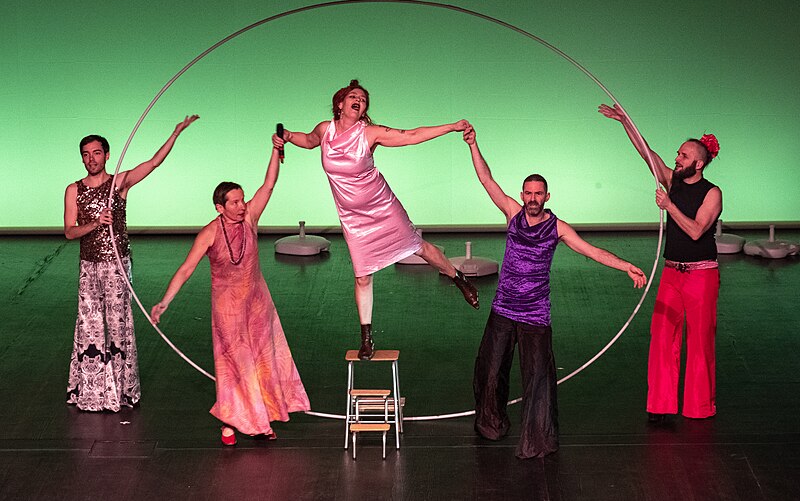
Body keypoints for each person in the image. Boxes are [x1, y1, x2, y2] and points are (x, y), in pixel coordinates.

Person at [463, 126, 647, 458]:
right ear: (522, 195)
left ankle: (538, 440)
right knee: (490, 369)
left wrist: (626, 266)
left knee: (537, 379)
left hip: (535, 313)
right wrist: (474, 145)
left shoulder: (558, 227)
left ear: (547, 196)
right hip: (504, 308)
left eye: (538, 194)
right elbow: (486, 180)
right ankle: (490, 424)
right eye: (528, 193)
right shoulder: (512, 213)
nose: (532, 199)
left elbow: (591, 251)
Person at [272, 79, 479, 360]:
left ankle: (458, 278)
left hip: (382, 207)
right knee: (362, 276)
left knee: (419, 248)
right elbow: (307, 141)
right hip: (353, 219)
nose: (359, 101)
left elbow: (411, 135)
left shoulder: (369, 134)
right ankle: (367, 337)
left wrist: (450, 126)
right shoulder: (325, 129)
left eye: (364, 99)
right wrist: (285, 135)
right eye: (354, 97)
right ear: (340, 103)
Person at [150, 141, 310, 445]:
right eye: (234, 202)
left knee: (263, 362)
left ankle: (259, 419)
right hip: (228, 309)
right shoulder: (209, 233)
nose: (242, 205)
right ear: (219, 207)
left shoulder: (250, 219)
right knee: (236, 365)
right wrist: (164, 303)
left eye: (242, 200)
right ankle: (236, 422)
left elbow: (269, 184)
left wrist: (275, 150)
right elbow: (185, 269)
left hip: (258, 303)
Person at [64, 115, 198, 412]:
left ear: (107, 155)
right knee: (90, 327)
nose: (91, 159)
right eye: (86, 154)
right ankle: (92, 391)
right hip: (88, 266)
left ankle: (121, 390)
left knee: (118, 324)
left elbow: (153, 163)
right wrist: (95, 223)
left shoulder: (119, 184)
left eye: (96, 153)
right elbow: (69, 231)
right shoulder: (74, 189)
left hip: (117, 265)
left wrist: (175, 132)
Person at [599, 103, 722, 422]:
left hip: (701, 275)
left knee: (700, 343)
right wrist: (625, 120)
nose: (676, 158)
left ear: (698, 162)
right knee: (662, 337)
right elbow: (646, 153)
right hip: (672, 273)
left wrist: (669, 205)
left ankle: (699, 408)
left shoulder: (712, 193)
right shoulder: (673, 180)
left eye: (682, 155)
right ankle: (661, 405)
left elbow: (696, 231)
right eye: (678, 154)